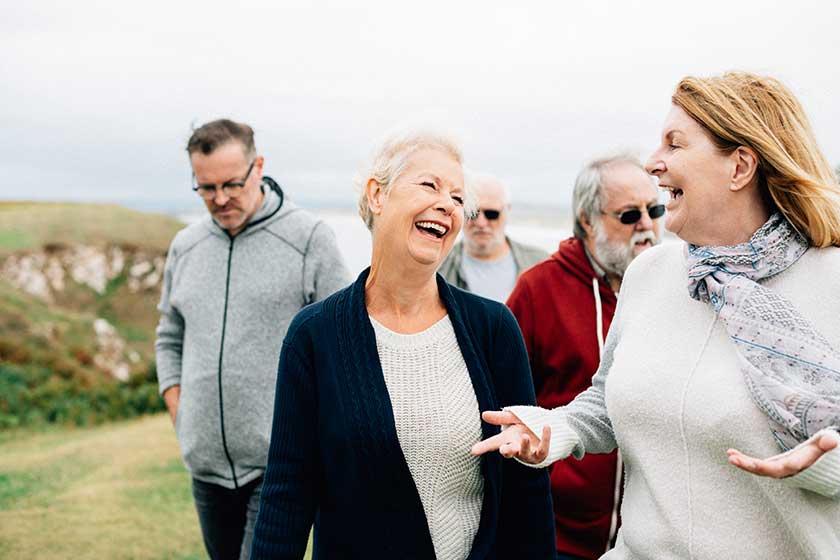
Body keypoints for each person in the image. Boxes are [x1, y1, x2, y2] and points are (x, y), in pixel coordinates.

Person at [473, 72, 840, 558]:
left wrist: (825, 465)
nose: (654, 163)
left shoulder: (830, 281)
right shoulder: (650, 273)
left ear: (740, 167)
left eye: (675, 144)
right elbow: (605, 400)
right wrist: (553, 430)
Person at [249, 130, 555, 559]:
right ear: (377, 194)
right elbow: (286, 493)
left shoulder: (494, 328)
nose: (448, 205)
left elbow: (528, 489)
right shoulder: (314, 336)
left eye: (457, 197)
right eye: (430, 185)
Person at [155, 119, 350, 560]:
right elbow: (169, 336)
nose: (220, 199)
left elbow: (343, 340)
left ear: (258, 166)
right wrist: (179, 409)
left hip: (279, 464)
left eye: (231, 184)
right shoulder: (185, 246)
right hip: (204, 464)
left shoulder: (309, 238)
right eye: (206, 188)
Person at [506, 153, 661, 559]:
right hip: (557, 537)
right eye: (630, 215)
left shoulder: (673, 290)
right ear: (588, 220)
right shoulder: (538, 291)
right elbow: (504, 403)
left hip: (648, 539)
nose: (647, 225)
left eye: (655, 209)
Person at [438, 174, 548, 302]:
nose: (481, 223)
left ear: (507, 211)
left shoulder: (540, 264)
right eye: (472, 213)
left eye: (491, 214)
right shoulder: (437, 266)